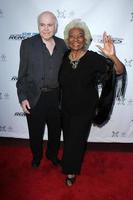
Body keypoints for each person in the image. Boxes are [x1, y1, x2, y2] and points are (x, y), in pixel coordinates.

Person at [59, 19, 125, 186]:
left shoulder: (93, 58)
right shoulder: (64, 56)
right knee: (68, 137)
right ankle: (69, 161)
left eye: (79, 36)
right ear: (67, 39)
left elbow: (118, 71)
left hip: (85, 108)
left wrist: (112, 56)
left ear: (85, 39)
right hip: (65, 107)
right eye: (71, 36)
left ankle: (71, 171)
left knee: (77, 139)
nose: (75, 39)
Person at [16, 11, 67, 168]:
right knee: (35, 132)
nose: (46, 29)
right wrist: (23, 97)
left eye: (50, 25)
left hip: (56, 97)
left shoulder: (63, 45)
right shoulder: (27, 44)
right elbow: (22, 74)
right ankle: (36, 156)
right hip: (34, 97)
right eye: (42, 25)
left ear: (56, 26)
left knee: (55, 132)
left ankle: (52, 155)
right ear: (38, 25)